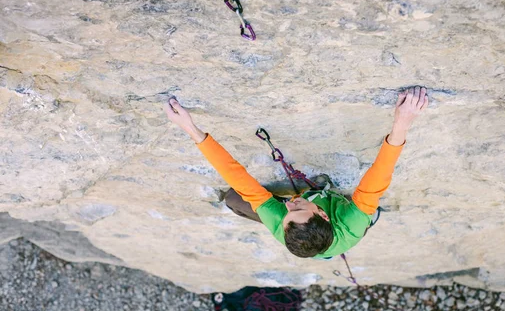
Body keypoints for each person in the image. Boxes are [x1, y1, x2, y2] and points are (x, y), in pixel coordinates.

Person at [164, 87, 429, 258]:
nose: (289, 205)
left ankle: (309, 196)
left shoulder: (281, 225)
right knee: (367, 208)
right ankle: (334, 201)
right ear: (324, 215)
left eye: (288, 214)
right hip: (345, 220)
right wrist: (402, 122)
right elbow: (378, 178)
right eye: (297, 208)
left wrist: (191, 129)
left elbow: (239, 178)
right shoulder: (352, 224)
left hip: (305, 227)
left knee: (234, 198)